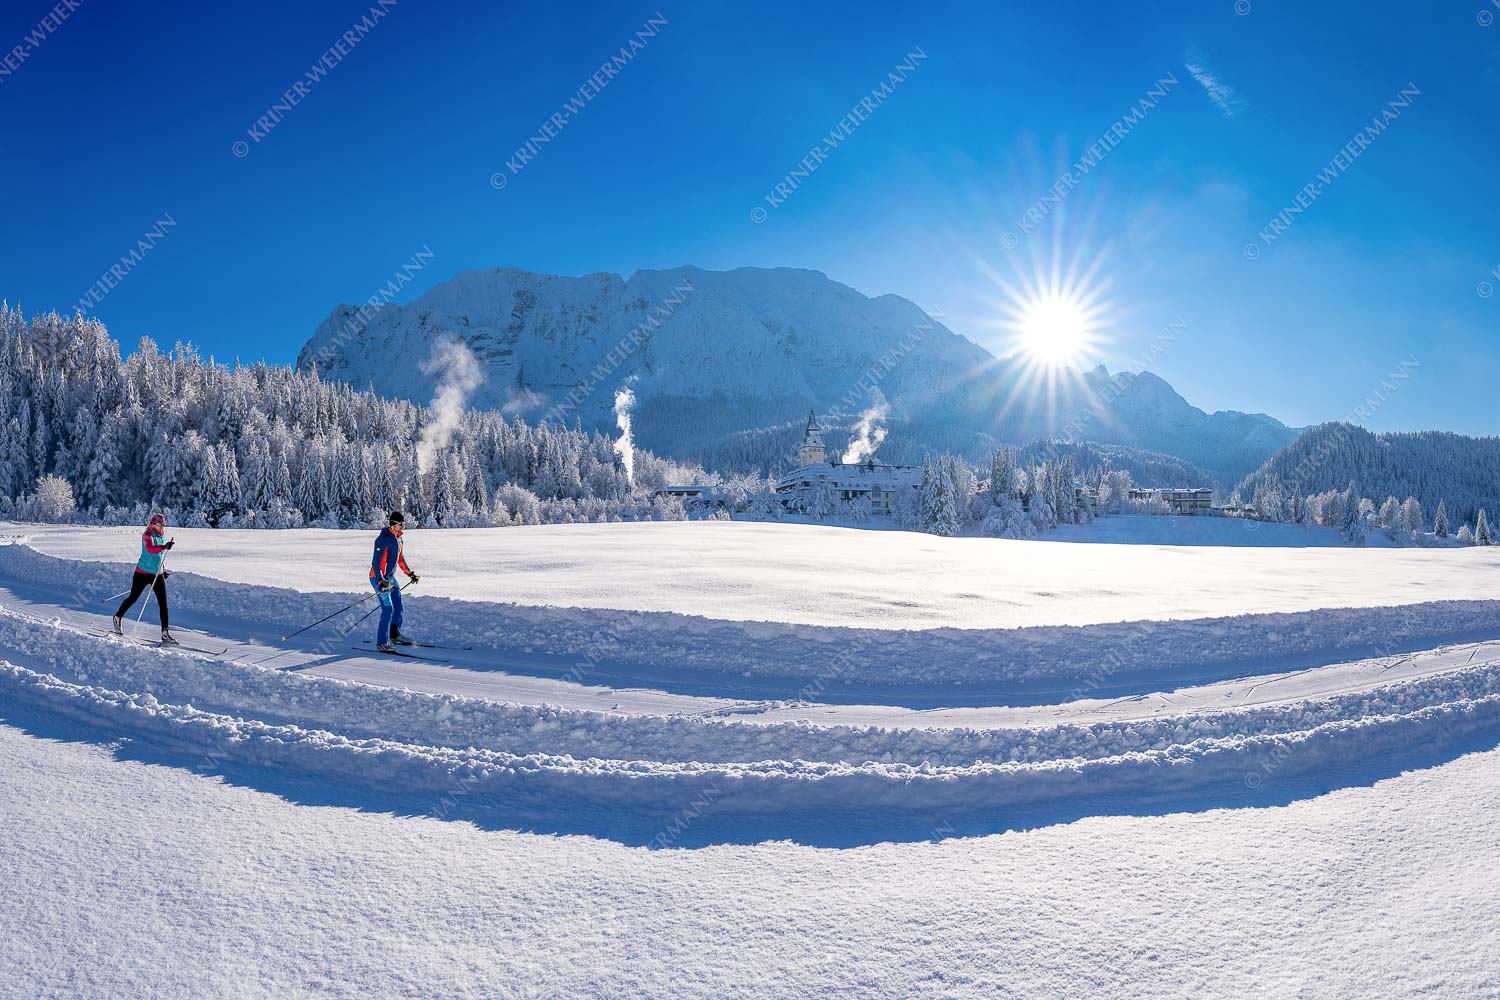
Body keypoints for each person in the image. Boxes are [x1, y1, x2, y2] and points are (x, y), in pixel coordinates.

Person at [114, 512, 177, 644]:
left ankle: (165, 633)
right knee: (133, 598)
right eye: (161, 525)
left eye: (163, 525)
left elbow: (160, 556)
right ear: (154, 524)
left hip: (157, 574)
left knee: (163, 603)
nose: (162, 527)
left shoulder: (161, 535)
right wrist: (164, 546)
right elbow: (150, 549)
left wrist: (163, 570)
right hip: (142, 572)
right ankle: (118, 617)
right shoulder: (147, 535)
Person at [370, 510, 420, 652]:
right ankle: (381, 643)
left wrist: (410, 574)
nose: (402, 527)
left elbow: (400, 559)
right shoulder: (382, 539)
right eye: (400, 524)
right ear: (393, 524)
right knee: (388, 609)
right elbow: (375, 563)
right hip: (377, 578)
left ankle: (394, 635)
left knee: (398, 606)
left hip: (390, 579)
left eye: (403, 524)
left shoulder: (399, 539)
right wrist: (380, 581)